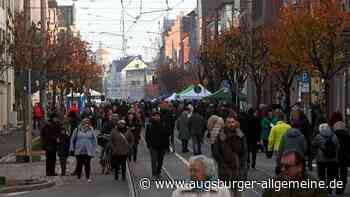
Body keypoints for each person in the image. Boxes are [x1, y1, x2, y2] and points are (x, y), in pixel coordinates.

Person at [262, 150, 327, 197]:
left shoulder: (316, 187)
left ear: (300, 167)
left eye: (287, 166)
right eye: (281, 165)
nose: (282, 169)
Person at [212, 116, 248, 197]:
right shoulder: (220, 136)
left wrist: (242, 164)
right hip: (225, 171)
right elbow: (216, 152)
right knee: (227, 194)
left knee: (238, 194)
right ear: (225, 124)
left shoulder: (241, 136)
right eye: (229, 122)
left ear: (235, 123)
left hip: (239, 171)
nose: (231, 124)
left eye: (232, 122)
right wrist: (222, 164)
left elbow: (245, 152)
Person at [311, 123, 339, 194]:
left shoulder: (318, 136)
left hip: (321, 159)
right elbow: (338, 146)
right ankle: (330, 188)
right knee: (331, 175)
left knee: (321, 175)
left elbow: (313, 145)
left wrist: (315, 153)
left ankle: (323, 188)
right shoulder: (334, 136)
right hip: (332, 159)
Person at [145, 111, 170, 178]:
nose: (157, 117)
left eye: (158, 116)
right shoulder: (149, 125)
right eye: (155, 116)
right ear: (153, 117)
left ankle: (158, 172)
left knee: (160, 161)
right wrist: (149, 144)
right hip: (153, 146)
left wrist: (167, 146)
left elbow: (166, 135)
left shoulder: (163, 124)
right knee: (154, 161)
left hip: (162, 146)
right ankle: (154, 174)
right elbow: (147, 136)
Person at [332, 119, 350, 194]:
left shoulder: (332, 136)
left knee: (335, 173)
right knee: (343, 172)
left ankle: (337, 186)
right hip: (344, 157)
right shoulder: (347, 136)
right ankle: (341, 186)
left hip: (335, 157)